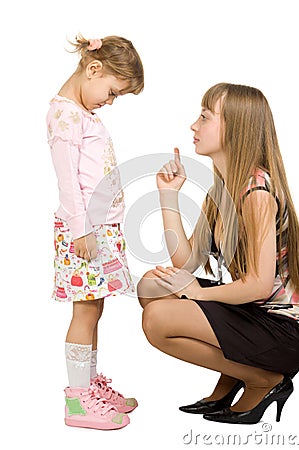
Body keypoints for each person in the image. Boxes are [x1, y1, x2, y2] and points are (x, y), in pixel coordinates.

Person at [137, 83, 299, 424]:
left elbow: (259, 286)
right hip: (252, 314)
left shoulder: (257, 192)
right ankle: (233, 375)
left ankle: (263, 379)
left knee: (158, 318)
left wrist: (195, 294)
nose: (194, 125)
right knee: (150, 286)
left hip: (283, 330)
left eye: (204, 117)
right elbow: (186, 262)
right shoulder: (223, 187)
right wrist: (168, 195)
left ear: (235, 127)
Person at [47, 34, 144, 430]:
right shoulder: (65, 114)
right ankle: (77, 404)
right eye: (112, 92)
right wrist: (80, 229)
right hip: (84, 230)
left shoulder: (82, 114)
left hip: (100, 229)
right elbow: (67, 179)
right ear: (93, 69)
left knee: (95, 307)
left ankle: (88, 386)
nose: (110, 101)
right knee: (85, 310)